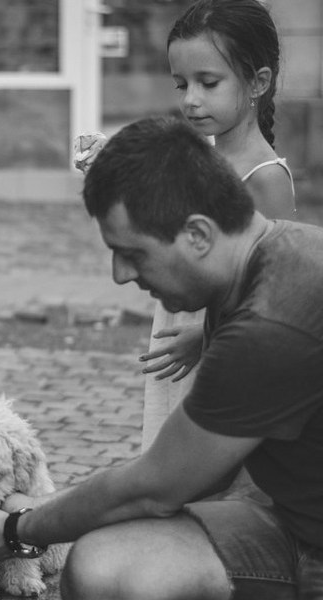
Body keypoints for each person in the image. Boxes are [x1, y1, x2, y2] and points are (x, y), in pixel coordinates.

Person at [0, 116, 323, 599]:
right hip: (293, 522)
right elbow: (188, 475)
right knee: (105, 566)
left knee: (114, 569)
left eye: (132, 253)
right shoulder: (259, 264)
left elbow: (156, 486)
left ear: (198, 235)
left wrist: (18, 529)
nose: (120, 274)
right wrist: (40, 509)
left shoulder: (269, 324)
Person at [140, 0, 296, 452]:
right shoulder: (206, 154)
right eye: (181, 84)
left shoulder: (266, 179)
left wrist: (203, 335)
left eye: (208, 83)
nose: (191, 99)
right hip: (182, 327)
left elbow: (279, 295)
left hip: (221, 350)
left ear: (257, 82)